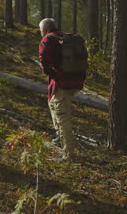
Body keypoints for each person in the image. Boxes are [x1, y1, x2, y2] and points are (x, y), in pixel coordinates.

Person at [38, 18, 86, 162]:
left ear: (45, 29)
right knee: (54, 106)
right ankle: (60, 138)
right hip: (73, 81)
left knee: (63, 118)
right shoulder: (66, 36)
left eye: (40, 30)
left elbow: (43, 58)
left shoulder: (48, 39)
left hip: (61, 83)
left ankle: (68, 156)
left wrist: (49, 71)